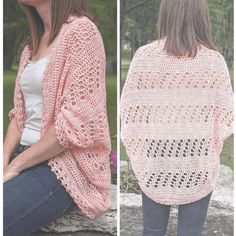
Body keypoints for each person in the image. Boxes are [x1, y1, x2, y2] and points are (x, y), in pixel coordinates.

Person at [120, 0, 234, 235]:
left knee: (152, 230)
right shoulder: (214, 61)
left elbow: (130, 113)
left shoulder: (144, 57)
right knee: (191, 231)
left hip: (156, 153)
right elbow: (225, 119)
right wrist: (210, 141)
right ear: (201, 17)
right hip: (198, 154)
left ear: (166, 15)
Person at [3, 0, 112, 235]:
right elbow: (20, 114)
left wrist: (16, 165)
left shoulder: (82, 32)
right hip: (24, 154)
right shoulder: (31, 45)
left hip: (60, 167)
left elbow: (75, 122)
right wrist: (4, 157)